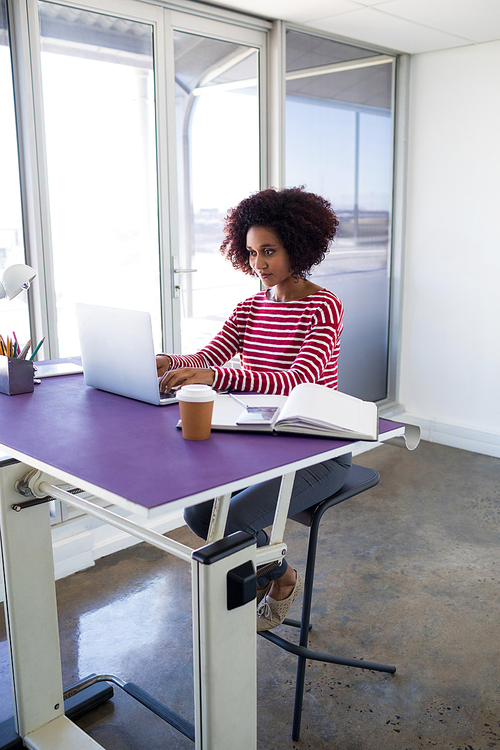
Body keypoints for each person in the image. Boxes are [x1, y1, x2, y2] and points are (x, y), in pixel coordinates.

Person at [157, 186, 352, 631]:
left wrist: (215, 377)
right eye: (250, 253)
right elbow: (211, 355)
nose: (258, 264)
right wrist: (169, 361)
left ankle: (277, 579)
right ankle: (276, 574)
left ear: (298, 247)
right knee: (198, 514)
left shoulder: (323, 306)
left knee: (233, 524)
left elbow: (295, 382)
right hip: (265, 444)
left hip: (318, 450)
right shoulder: (250, 306)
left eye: (269, 251)